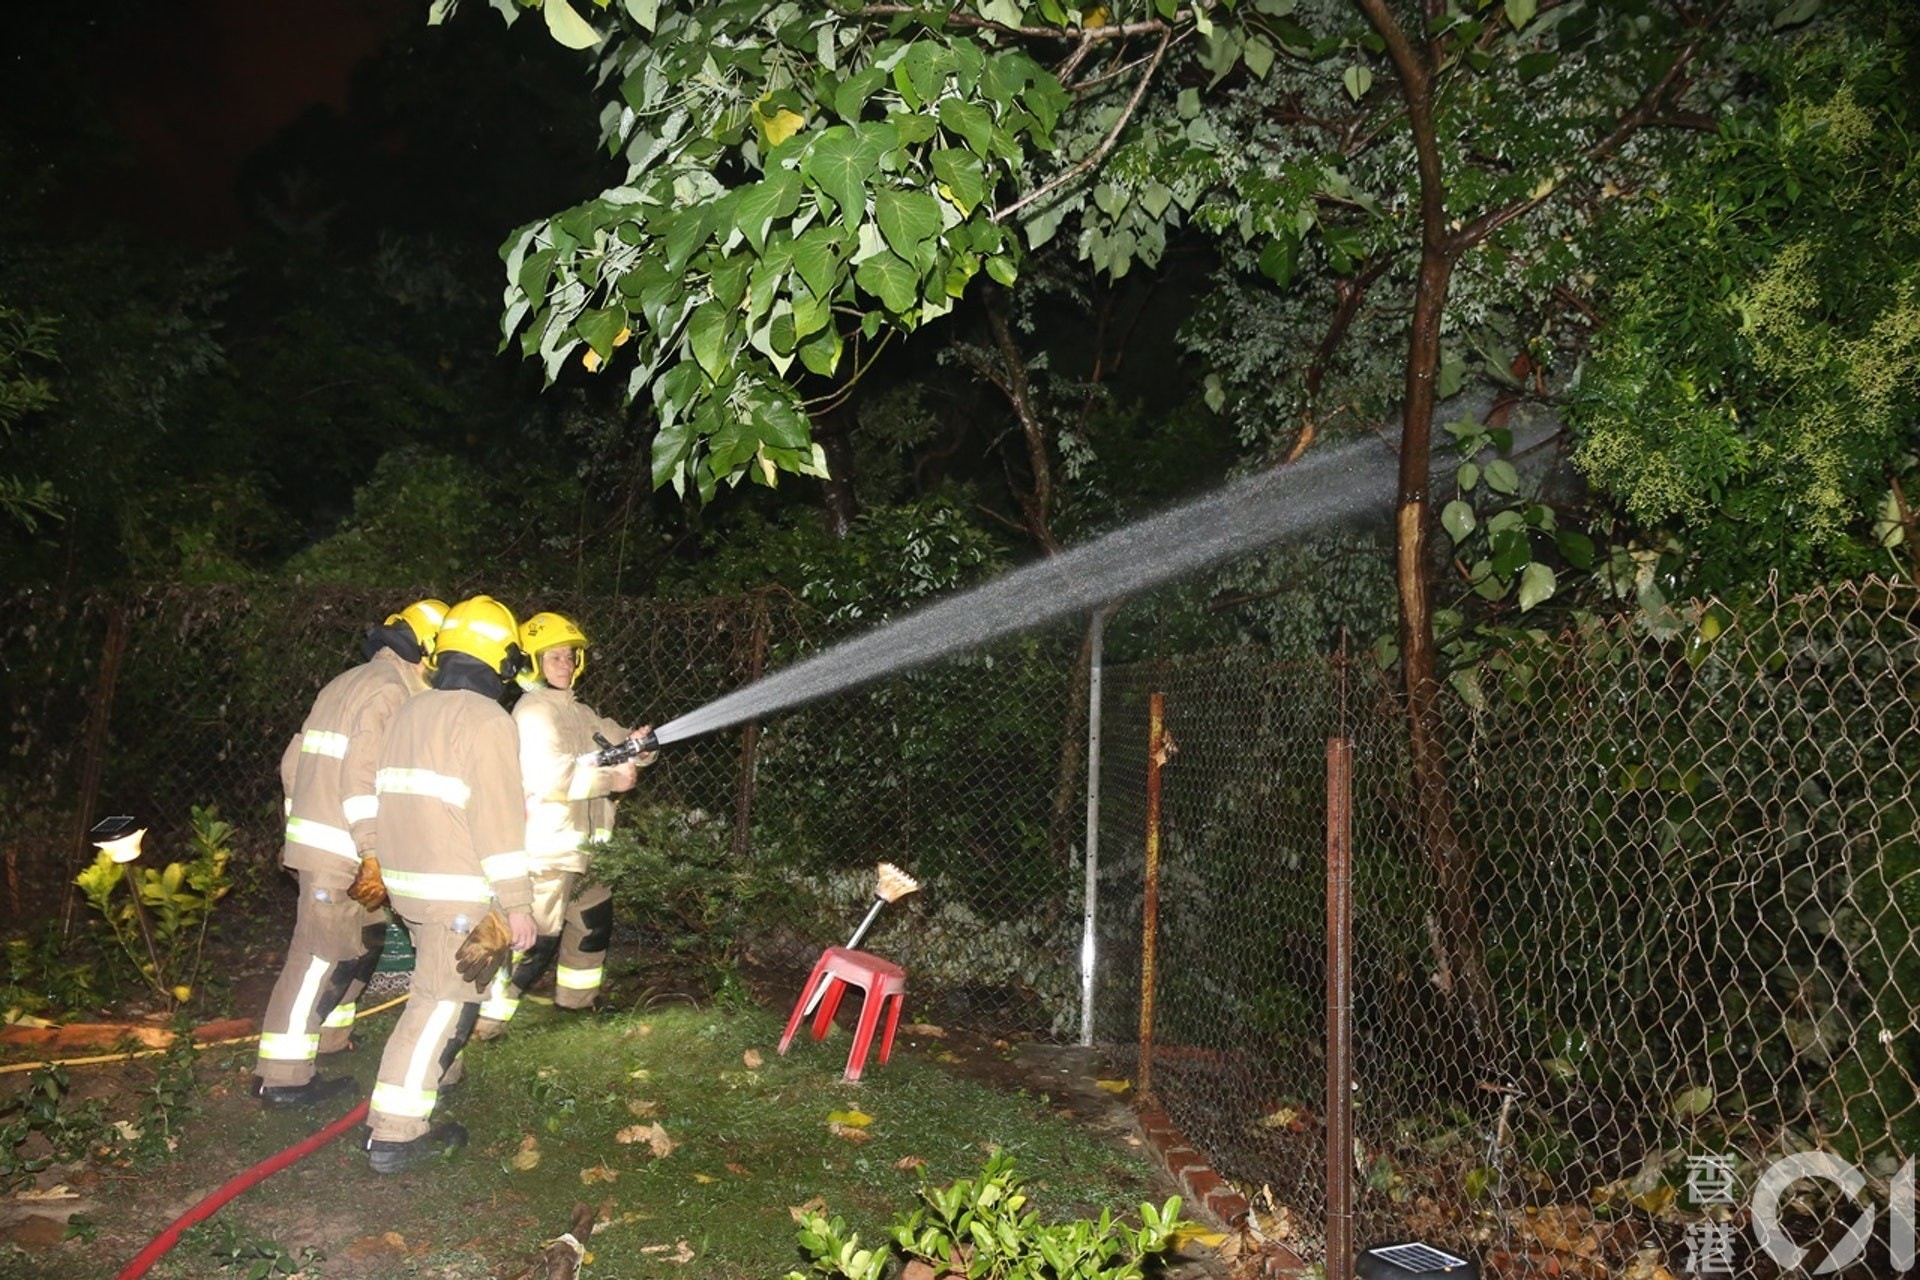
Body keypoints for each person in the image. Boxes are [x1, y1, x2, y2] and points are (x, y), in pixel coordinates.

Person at [363, 594, 537, 1174]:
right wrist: (517, 906)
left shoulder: (413, 709)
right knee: (435, 1006)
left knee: (444, 992)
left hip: (408, 885)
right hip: (455, 890)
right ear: (503, 661)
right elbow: (498, 821)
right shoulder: (488, 721)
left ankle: (436, 1081)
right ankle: (396, 1134)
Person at [252, 599, 448, 1108]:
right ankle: (284, 1076)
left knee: (362, 941)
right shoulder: (390, 693)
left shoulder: (345, 682)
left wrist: (298, 829)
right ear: (424, 650)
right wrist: (372, 851)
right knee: (317, 957)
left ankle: (334, 1037)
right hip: (348, 850)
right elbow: (362, 775)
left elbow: (292, 762)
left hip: (327, 843)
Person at [473, 611, 656, 1040]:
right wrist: (614, 779)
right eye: (554, 657)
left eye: (571, 656)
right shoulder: (534, 711)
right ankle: (484, 1019)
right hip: (549, 850)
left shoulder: (580, 711)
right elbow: (549, 776)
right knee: (532, 940)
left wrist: (643, 745)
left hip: (588, 851)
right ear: (534, 663)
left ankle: (575, 1004)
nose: (565, 664)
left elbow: (619, 739)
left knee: (593, 923)